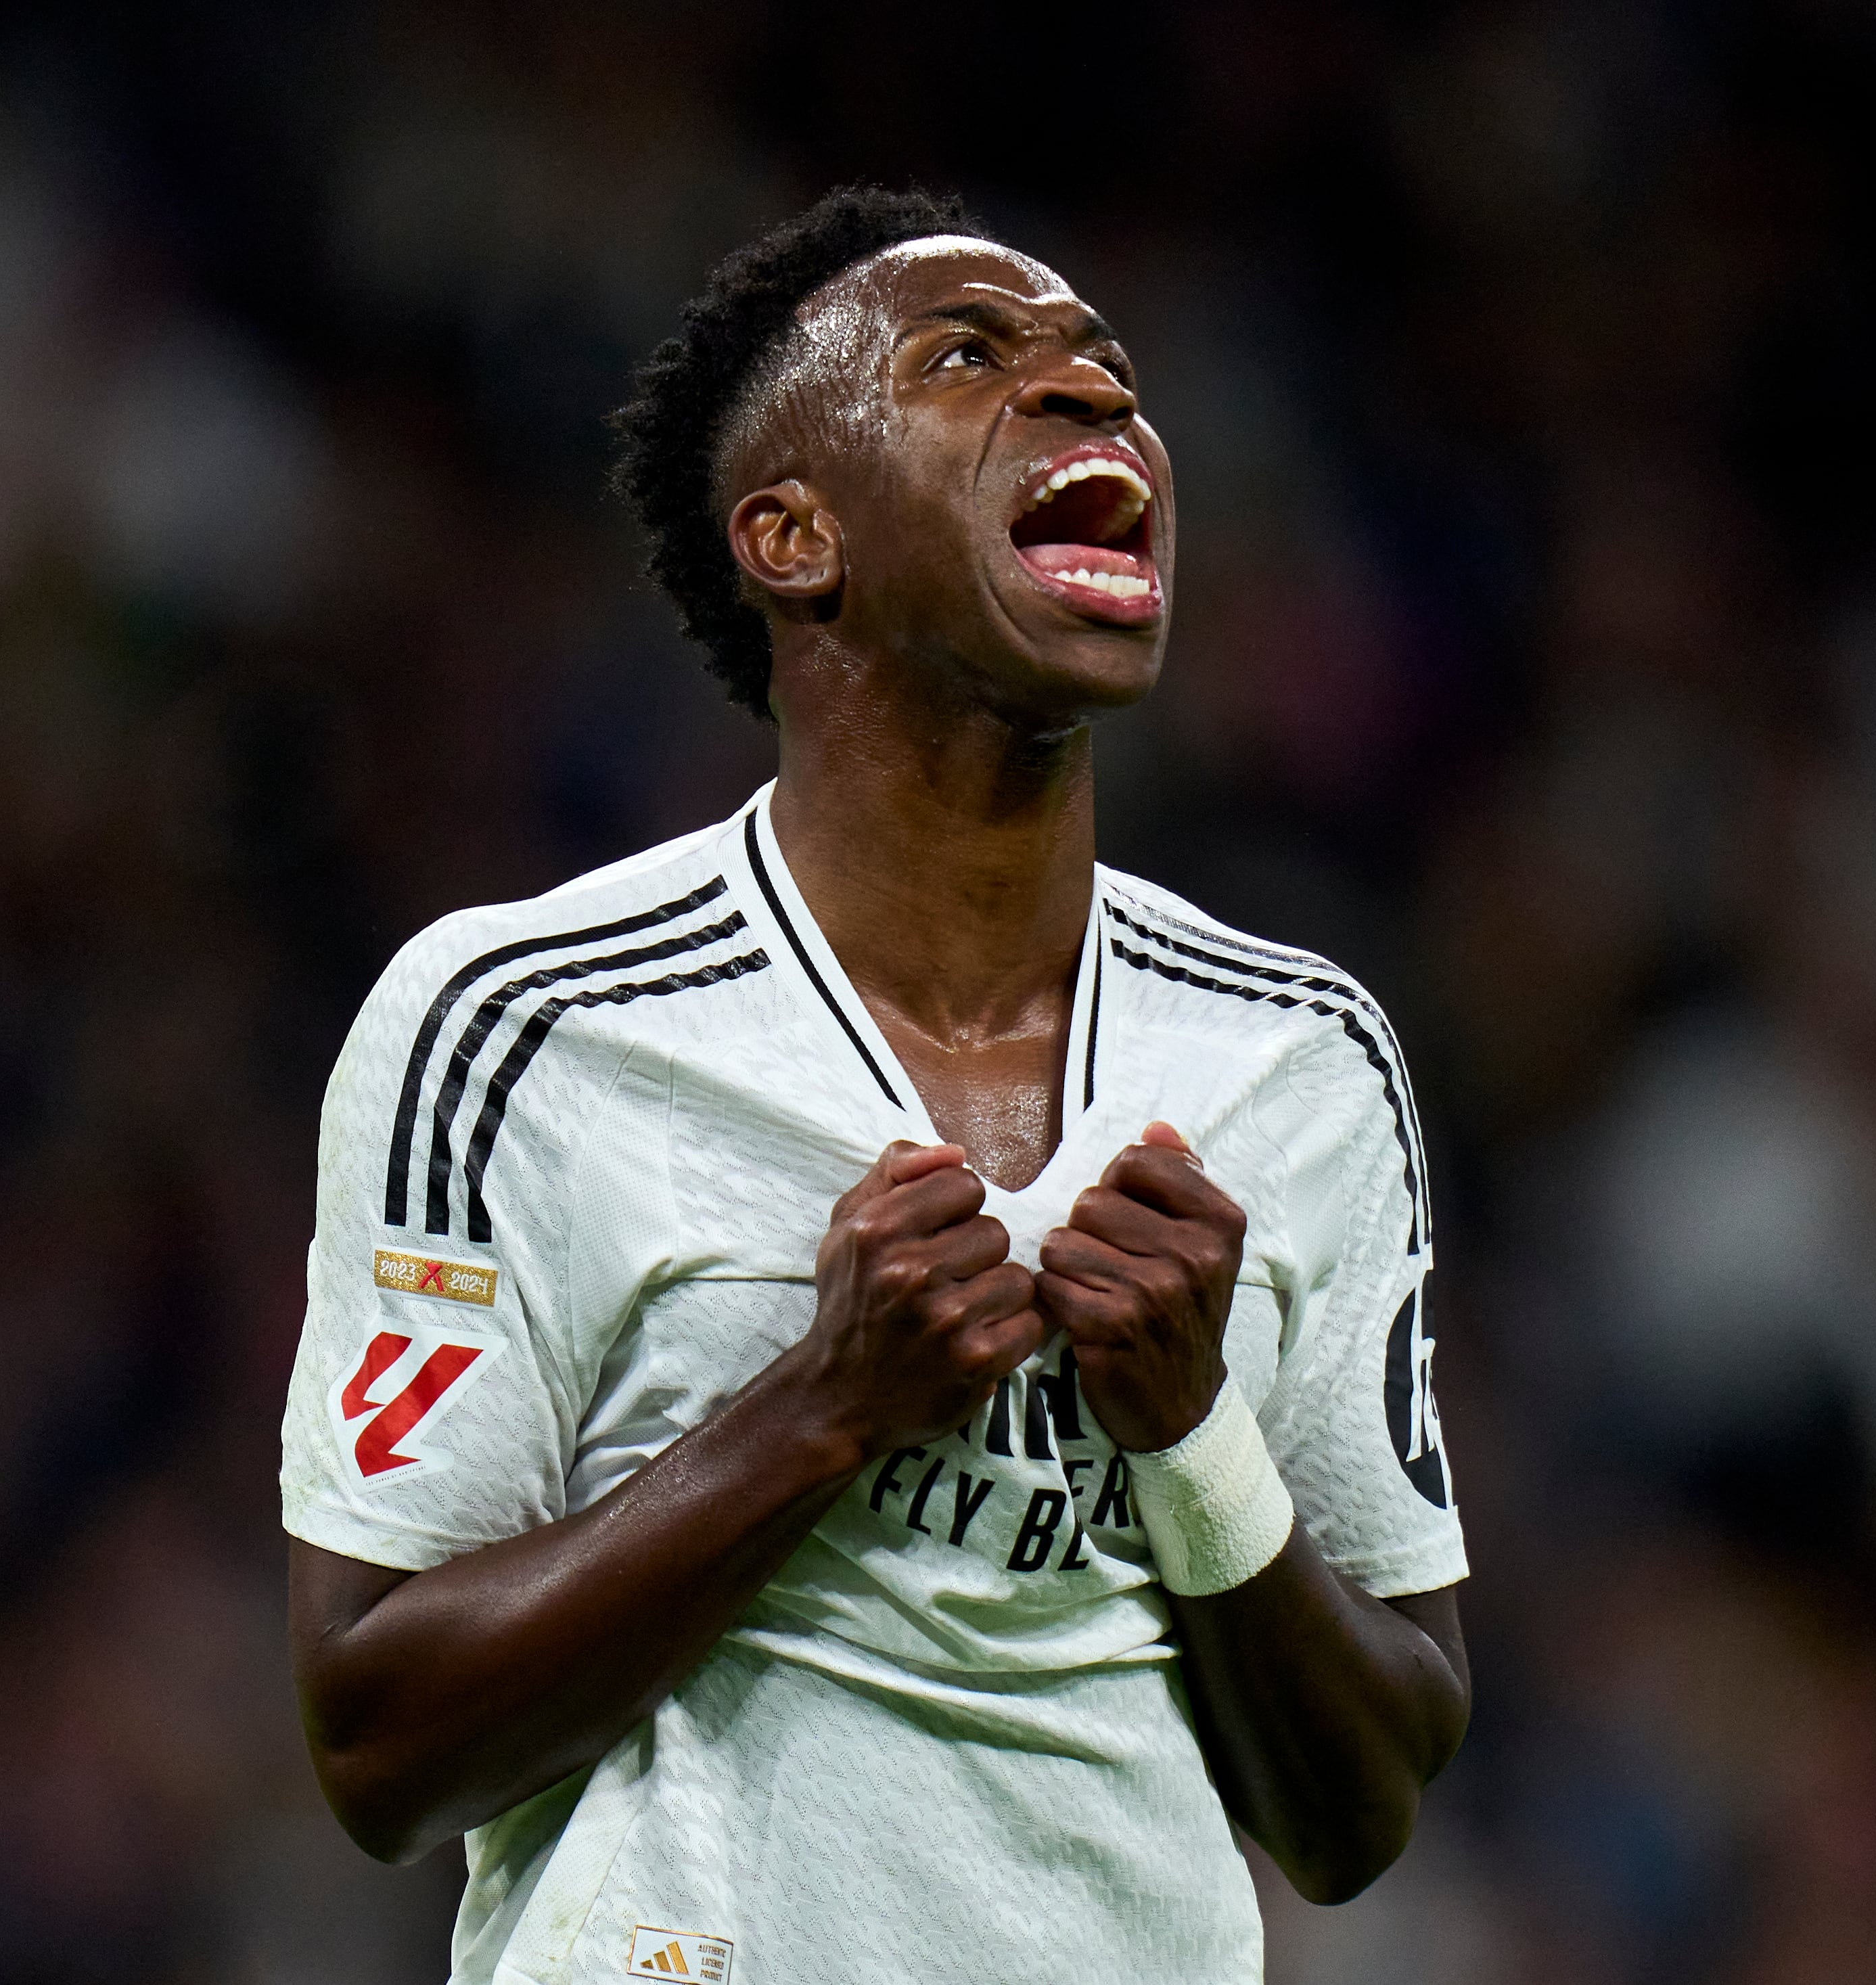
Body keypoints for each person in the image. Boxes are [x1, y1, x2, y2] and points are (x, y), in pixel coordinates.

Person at [281, 186, 1471, 1985]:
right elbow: (378, 1739)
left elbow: (1357, 1810)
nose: (1087, 399)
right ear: (787, 533)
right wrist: (823, 1408)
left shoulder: (1297, 1057)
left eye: (1107, 371)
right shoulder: (515, 1023)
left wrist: (1190, 1430)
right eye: (968, 359)